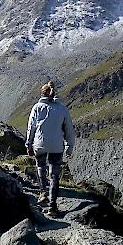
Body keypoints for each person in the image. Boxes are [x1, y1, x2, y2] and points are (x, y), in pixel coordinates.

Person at [25, 81, 76, 217]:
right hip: (56, 145)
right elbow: (69, 130)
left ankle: (42, 193)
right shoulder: (62, 108)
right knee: (54, 174)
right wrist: (69, 147)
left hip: (39, 144)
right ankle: (53, 205)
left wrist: (28, 144)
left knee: (40, 166)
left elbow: (31, 128)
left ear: (42, 94)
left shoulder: (37, 107)